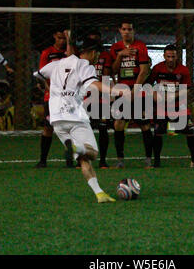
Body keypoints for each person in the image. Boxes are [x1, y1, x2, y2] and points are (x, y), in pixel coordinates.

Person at [33, 38, 118, 203]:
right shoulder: (84, 65)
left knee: (83, 158)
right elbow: (93, 84)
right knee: (92, 153)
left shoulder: (55, 64)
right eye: (97, 53)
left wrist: (49, 88)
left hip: (57, 119)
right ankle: (77, 147)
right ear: (92, 52)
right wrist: (118, 91)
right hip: (75, 117)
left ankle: (99, 193)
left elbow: (38, 74)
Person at [148, 45, 194, 168]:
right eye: (168, 56)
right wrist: (155, 95)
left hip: (179, 105)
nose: (171, 59)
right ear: (164, 56)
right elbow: (149, 85)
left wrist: (172, 97)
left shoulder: (183, 70)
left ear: (177, 56)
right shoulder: (157, 68)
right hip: (161, 107)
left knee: (190, 132)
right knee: (158, 133)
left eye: (173, 56)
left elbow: (186, 90)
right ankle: (157, 161)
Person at [110, 20, 153, 169]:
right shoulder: (115, 48)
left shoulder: (140, 46)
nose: (127, 31)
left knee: (145, 124)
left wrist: (135, 89)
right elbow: (113, 71)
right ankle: (120, 159)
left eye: (129, 29)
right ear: (120, 31)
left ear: (133, 31)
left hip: (138, 90)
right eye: (124, 29)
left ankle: (148, 158)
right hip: (122, 90)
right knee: (119, 124)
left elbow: (144, 70)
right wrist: (120, 56)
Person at [35, 27, 75, 168]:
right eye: (60, 37)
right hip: (51, 96)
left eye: (64, 38)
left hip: (68, 96)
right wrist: (51, 90)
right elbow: (42, 75)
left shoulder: (70, 53)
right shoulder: (47, 53)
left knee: (69, 126)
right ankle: (43, 160)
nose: (62, 40)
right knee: (48, 127)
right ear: (54, 36)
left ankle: (70, 159)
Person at [85, 29, 113, 169]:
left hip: (100, 98)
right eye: (92, 39)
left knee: (103, 128)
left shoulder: (105, 56)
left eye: (96, 39)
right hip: (84, 97)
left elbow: (106, 77)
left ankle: (102, 160)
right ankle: (82, 159)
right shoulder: (82, 57)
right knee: (83, 128)